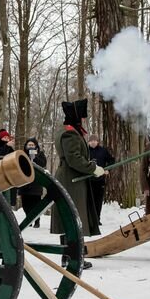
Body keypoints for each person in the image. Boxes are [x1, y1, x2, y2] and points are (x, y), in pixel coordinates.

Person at [51, 99, 103, 269]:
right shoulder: (70, 133)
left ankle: (68, 257)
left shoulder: (68, 130)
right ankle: (74, 257)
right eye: (81, 117)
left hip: (71, 177)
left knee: (70, 218)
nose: (83, 121)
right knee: (73, 218)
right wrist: (93, 168)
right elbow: (74, 159)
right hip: (71, 178)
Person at [18, 137, 47, 228]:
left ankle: (37, 221)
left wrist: (34, 157)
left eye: (32, 145)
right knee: (25, 204)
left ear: (36, 146)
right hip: (25, 183)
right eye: (29, 145)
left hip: (36, 184)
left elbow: (43, 164)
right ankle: (28, 219)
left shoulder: (40, 154)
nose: (30, 147)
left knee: (36, 203)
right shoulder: (22, 154)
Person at [87, 134, 115, 225]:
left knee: (98, 201)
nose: (93, 142)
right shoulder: (86, 151)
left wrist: (107, 169)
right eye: (91, 141)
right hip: (89, 180)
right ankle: (90, 219)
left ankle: (97, 219)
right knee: (90, 200)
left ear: (97, 141)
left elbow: (111, 160)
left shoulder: (103, 151)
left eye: (95, 140)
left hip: (100, 180)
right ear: (89, 142)